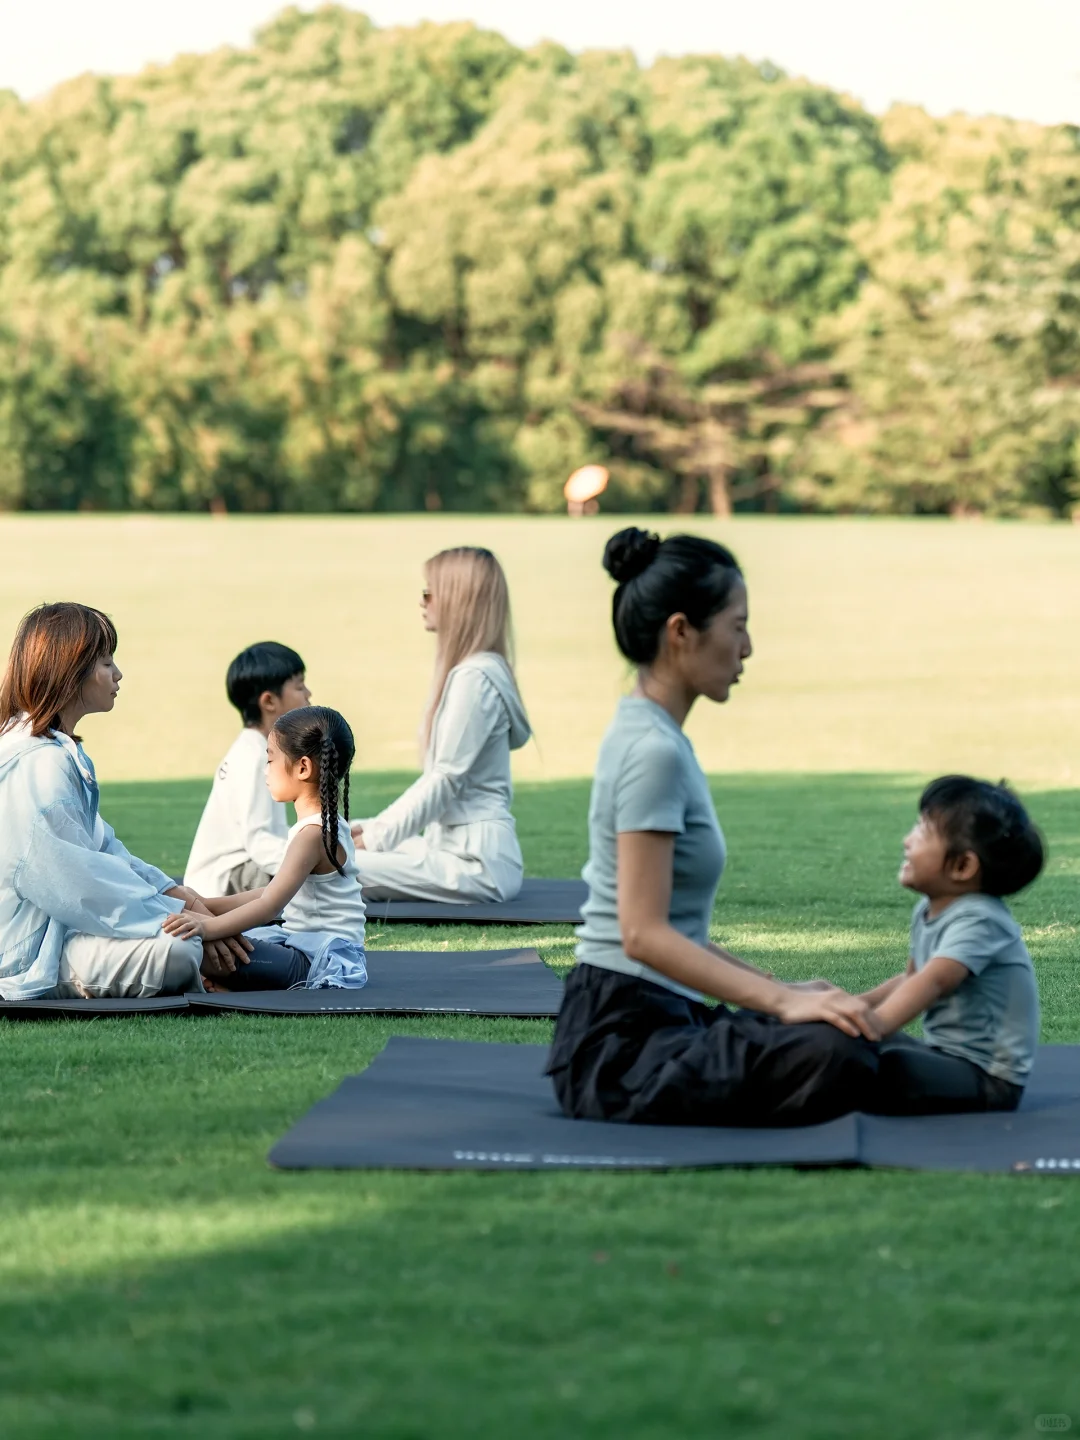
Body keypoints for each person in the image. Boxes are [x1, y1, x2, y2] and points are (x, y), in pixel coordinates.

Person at [547, 527, 880, 1127]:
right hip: (621, 1047)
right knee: (838, 1051)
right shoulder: (654, 751)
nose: (747, 647)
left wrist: (788, 991)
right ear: (680, 632)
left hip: (655, 1015)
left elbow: (674, 929)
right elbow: (643, 936)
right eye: (737, 625)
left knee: (841, 1031)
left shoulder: (654, 735)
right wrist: (781, 1002)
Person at [0, 603, 248, 1000]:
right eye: (104, 662)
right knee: (180, 947)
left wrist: (178, 896)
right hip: (26, 951)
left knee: (186, 933)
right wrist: (172, 918)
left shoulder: (52, 750)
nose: (117, 674)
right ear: (69, 671)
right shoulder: (38, 763)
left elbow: (106, 850)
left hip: (63, 926)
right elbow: (78, 884)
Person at [351, 546, 531, 904]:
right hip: (452, 847)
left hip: (474, 862)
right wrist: (369, 830)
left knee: (325, 867)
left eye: (429, 592)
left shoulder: (475, 680)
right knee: (325, 843)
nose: (423, 601)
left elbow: (444, 779)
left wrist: (376, 838)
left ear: (457, 600)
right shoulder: (475, 672)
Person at [862, 776, 1044, 1115]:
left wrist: (873, 1026)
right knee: (865, 1050)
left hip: (989, 1080)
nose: (906, 841)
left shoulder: (981, 919)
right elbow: (911, 978)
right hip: (945, 1057)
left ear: (962, 866)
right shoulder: (928, 908)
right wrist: (855, 1006)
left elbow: (935, 980)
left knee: (885, 1063)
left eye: (921, 832)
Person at [166, 706, 367, 991]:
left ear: (303, 768)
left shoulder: (312, 835)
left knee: (199, 945)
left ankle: (226, 983)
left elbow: (269, 905)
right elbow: (271, 892)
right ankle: (228, 983)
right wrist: (208, 905)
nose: (266, 770)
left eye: (270, 759)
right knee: (203, 932)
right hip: (301, 947)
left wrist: (206, 925)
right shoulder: (322, 827)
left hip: (316, 961)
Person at [184, 642, 311, 896]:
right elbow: (261, 843)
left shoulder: (255, 749)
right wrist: (313, 857)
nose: (308, 693)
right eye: (299, 686)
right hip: (227, 881)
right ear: (269, 701)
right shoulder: (255, 758)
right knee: (322, 877)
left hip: (235, 873)